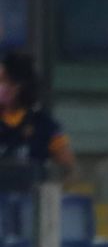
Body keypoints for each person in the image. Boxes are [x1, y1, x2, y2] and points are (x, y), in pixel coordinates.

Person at [0, 52, 76, 183]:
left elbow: (68, 167)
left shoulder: (43, 124)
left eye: (4, 81)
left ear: (19, 86)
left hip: (30, 198)